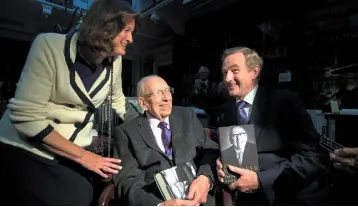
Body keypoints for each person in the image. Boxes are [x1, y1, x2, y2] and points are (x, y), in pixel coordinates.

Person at [0, 0, 140, 205]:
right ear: (106, 25)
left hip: (72, 148)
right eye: (126, 30)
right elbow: (26, 118)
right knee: (72, 195)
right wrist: (84, 157)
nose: (130, 39)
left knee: (83, 191)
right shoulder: (49, 45)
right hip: (25, 144)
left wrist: (148, 121)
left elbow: (117, 101)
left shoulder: (114, 61)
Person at [215, 47, 328, 205]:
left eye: (234, 71)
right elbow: (231, 151)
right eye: (225, 72)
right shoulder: (225, 110)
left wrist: (261, 180)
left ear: (254, 72)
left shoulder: (285, 102)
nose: (227, 78)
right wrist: (222, 162)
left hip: (286, 197)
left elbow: (313, 158)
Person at [113, 75, 219, 206]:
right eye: (158, 93)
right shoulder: (126, 132)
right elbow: (127, 183)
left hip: (199, 200)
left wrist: (205, 178)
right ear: (143, 103)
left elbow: (210, 150)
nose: (167, 98)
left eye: (168, 91)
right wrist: (161, 205)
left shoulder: (187, 116)